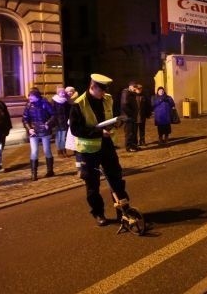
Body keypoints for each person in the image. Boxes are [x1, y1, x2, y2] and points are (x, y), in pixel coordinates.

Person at [69, 73, 130, 227]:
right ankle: (98, 213)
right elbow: (76, 130)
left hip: (107, 145)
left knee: (116, 178)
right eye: (100, 90)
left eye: (104, 90)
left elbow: (113, 115)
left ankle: (123, 210)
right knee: (92, 184)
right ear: (92, 87)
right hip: (88, 150)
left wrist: (117, 123)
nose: (103, 93)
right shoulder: (79, 104)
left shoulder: (107, 98)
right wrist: (98, 133)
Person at [22, 88, 56, 180]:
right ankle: (34, 174)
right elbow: (25, 119)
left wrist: (48, 123)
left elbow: (53, 114)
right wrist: (29, 129)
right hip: (34, 131)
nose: (30, 99)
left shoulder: (45, 103)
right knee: (34, 152)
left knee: (47, 150)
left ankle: (50, 171)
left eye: (31, 97)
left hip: (45, 131)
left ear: (37, 97)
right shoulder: (28, 105)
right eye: (29, 98)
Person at [51, 86, 72, 156]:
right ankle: (59, 151)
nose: (63, 94)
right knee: (58, 137)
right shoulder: (54, 101)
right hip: (57, 122)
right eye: (61, 93)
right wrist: (53, 121)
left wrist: (68, 119)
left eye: (63, 93)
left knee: (63, 137)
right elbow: (52, 112)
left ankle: (63, 150)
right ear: (58, 93)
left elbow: (68, 112)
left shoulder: (65, 101)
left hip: (64, 121)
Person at [120, 81, 140, 152]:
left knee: (133, 132)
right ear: (130, 86)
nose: (135, 88)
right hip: (128, 117)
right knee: (129, 133)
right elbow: (124, 105)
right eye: (134, 87)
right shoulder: (126, 93)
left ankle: (134, 146)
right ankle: (129, 147)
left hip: (132, 117)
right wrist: (131, 113)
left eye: (136, 87)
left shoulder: (131, 93)